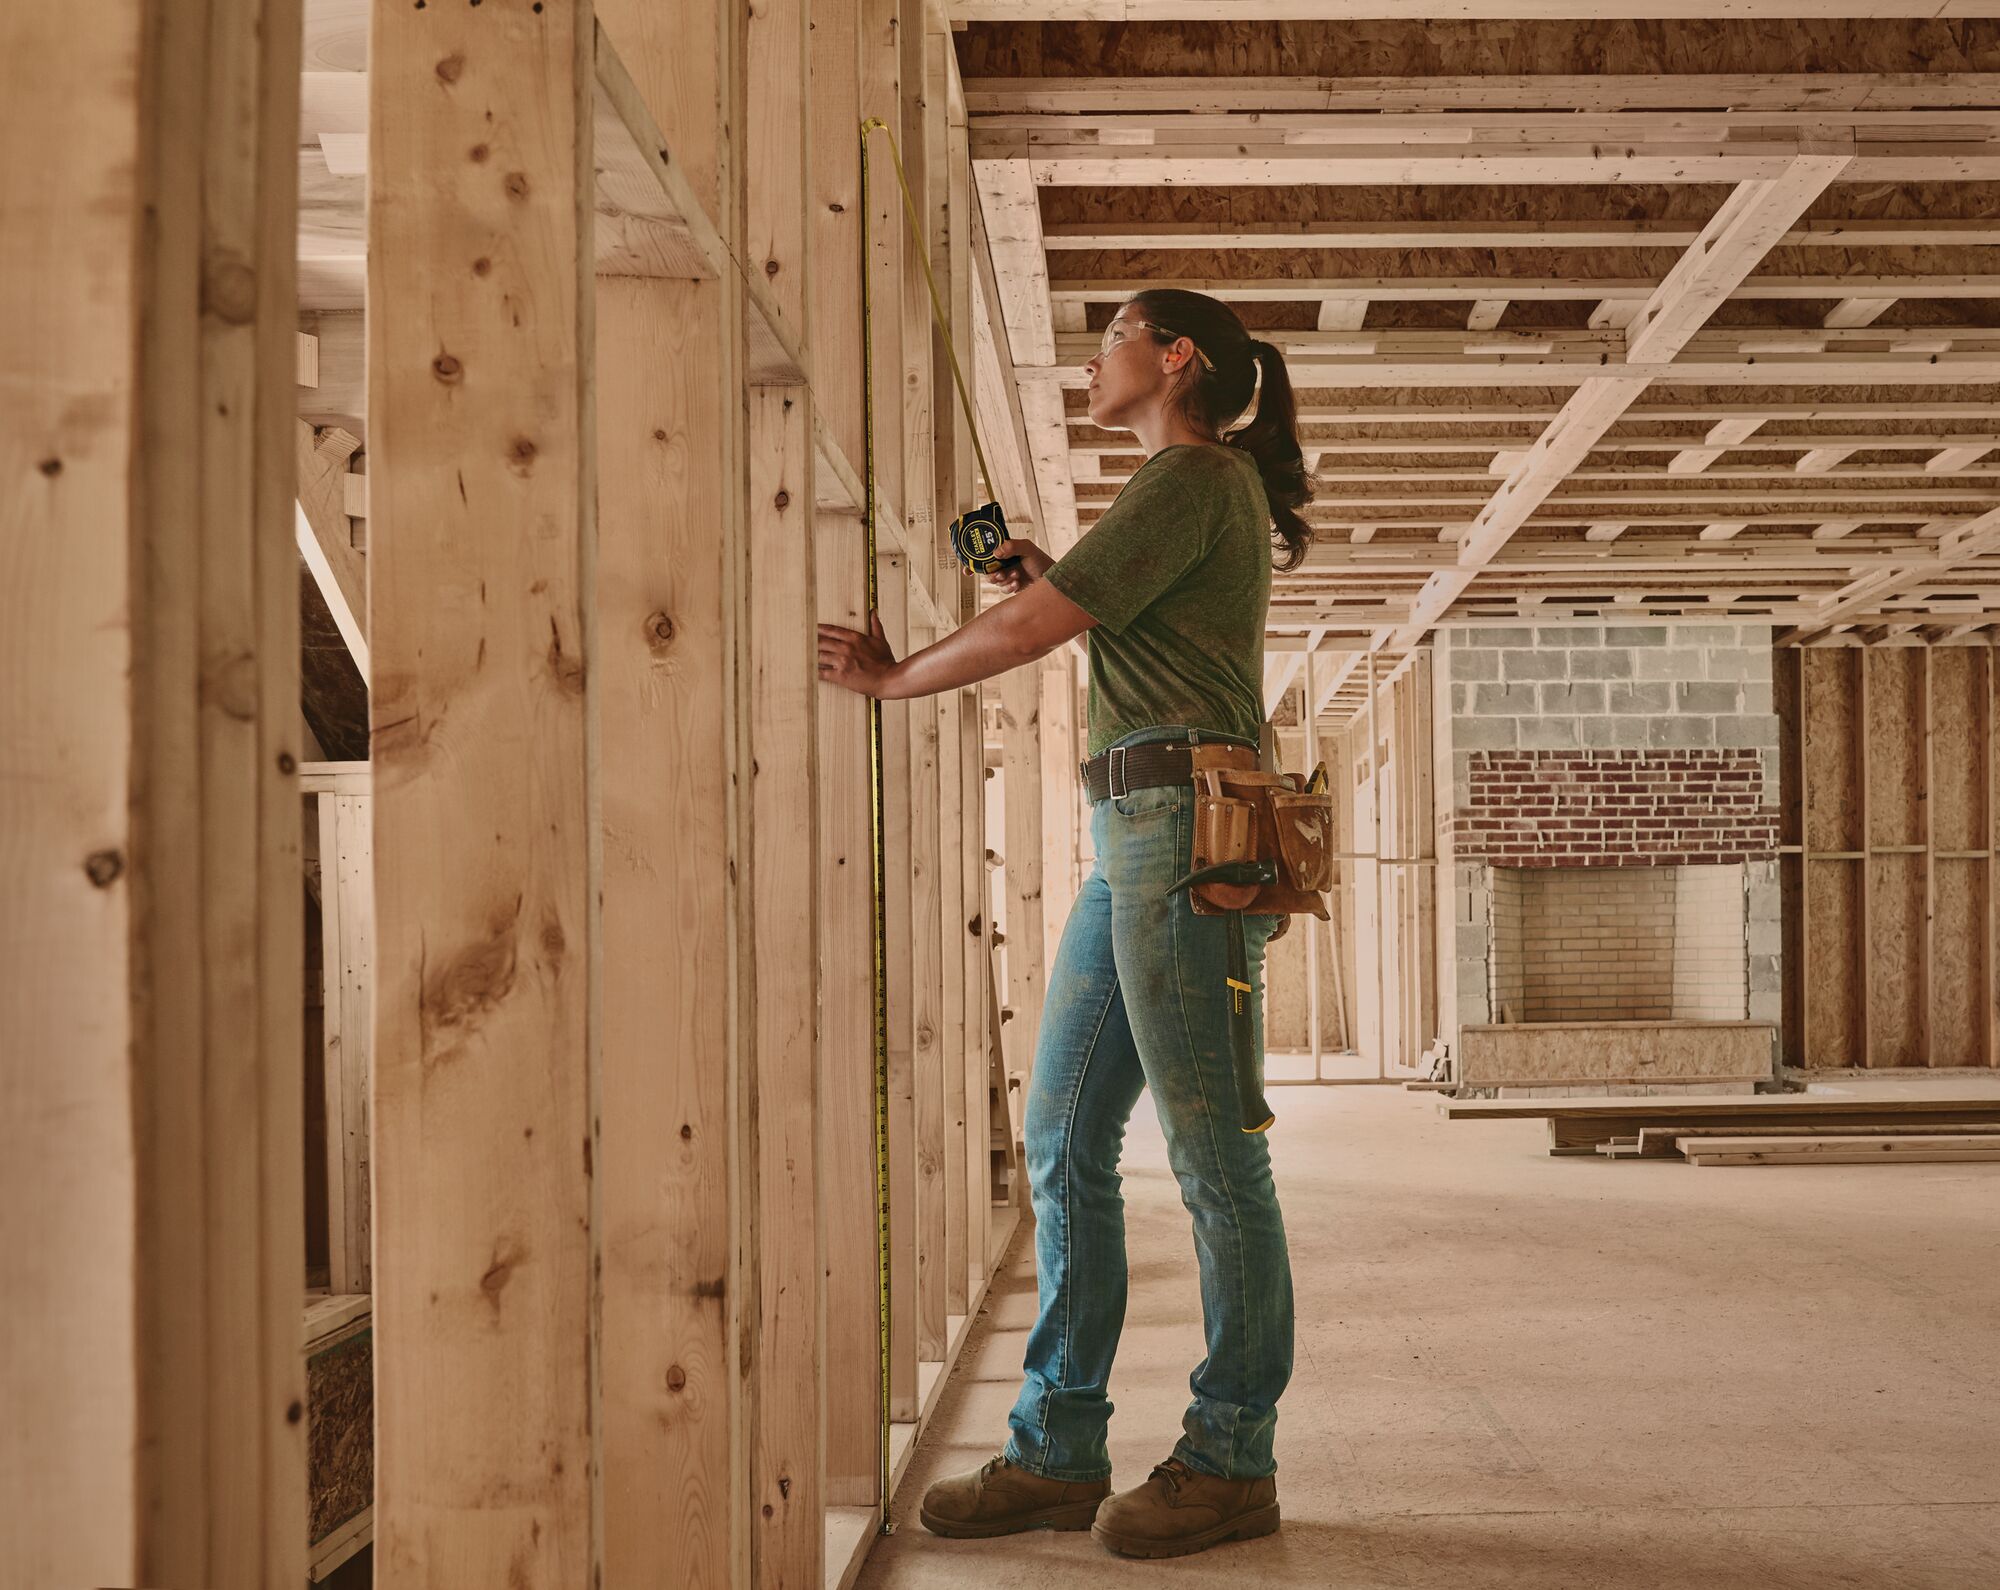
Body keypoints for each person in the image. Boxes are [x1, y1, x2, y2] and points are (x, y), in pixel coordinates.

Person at [816, 288, 1313, 1560]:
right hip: (1134, 838)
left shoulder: (1192, 476)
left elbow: (1036, 629)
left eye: (1112, 341)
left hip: (1177, 833)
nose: (1095, 362)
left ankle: (1229, 1459)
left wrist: (889, 680)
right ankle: (1056, 1446)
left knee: (1214, 1157)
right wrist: (1033, 568)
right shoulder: (1186, 492)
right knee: (1059, 1138)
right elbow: (1072, 606)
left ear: (1175, 357)